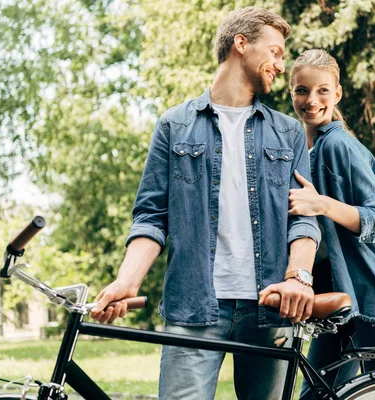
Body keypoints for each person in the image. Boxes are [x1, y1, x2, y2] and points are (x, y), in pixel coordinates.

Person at [90, 8, 321, 400]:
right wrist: (127, 282)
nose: (281, 66)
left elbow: (303, 218)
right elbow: (151, 218)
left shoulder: (287, 133)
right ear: (241, 44)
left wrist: (298, 276)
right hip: (193, 306)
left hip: (270, 308)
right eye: (276, 52)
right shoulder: (174, 125)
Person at [287, 49, 375, 399]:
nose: (311, 100)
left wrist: (323, 204)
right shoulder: (307, 152)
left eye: (322, 90)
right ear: (291, 93)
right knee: (316, 394)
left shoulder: (340, 146)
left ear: (337, 93)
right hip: (341, 300)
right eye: (302, 90)